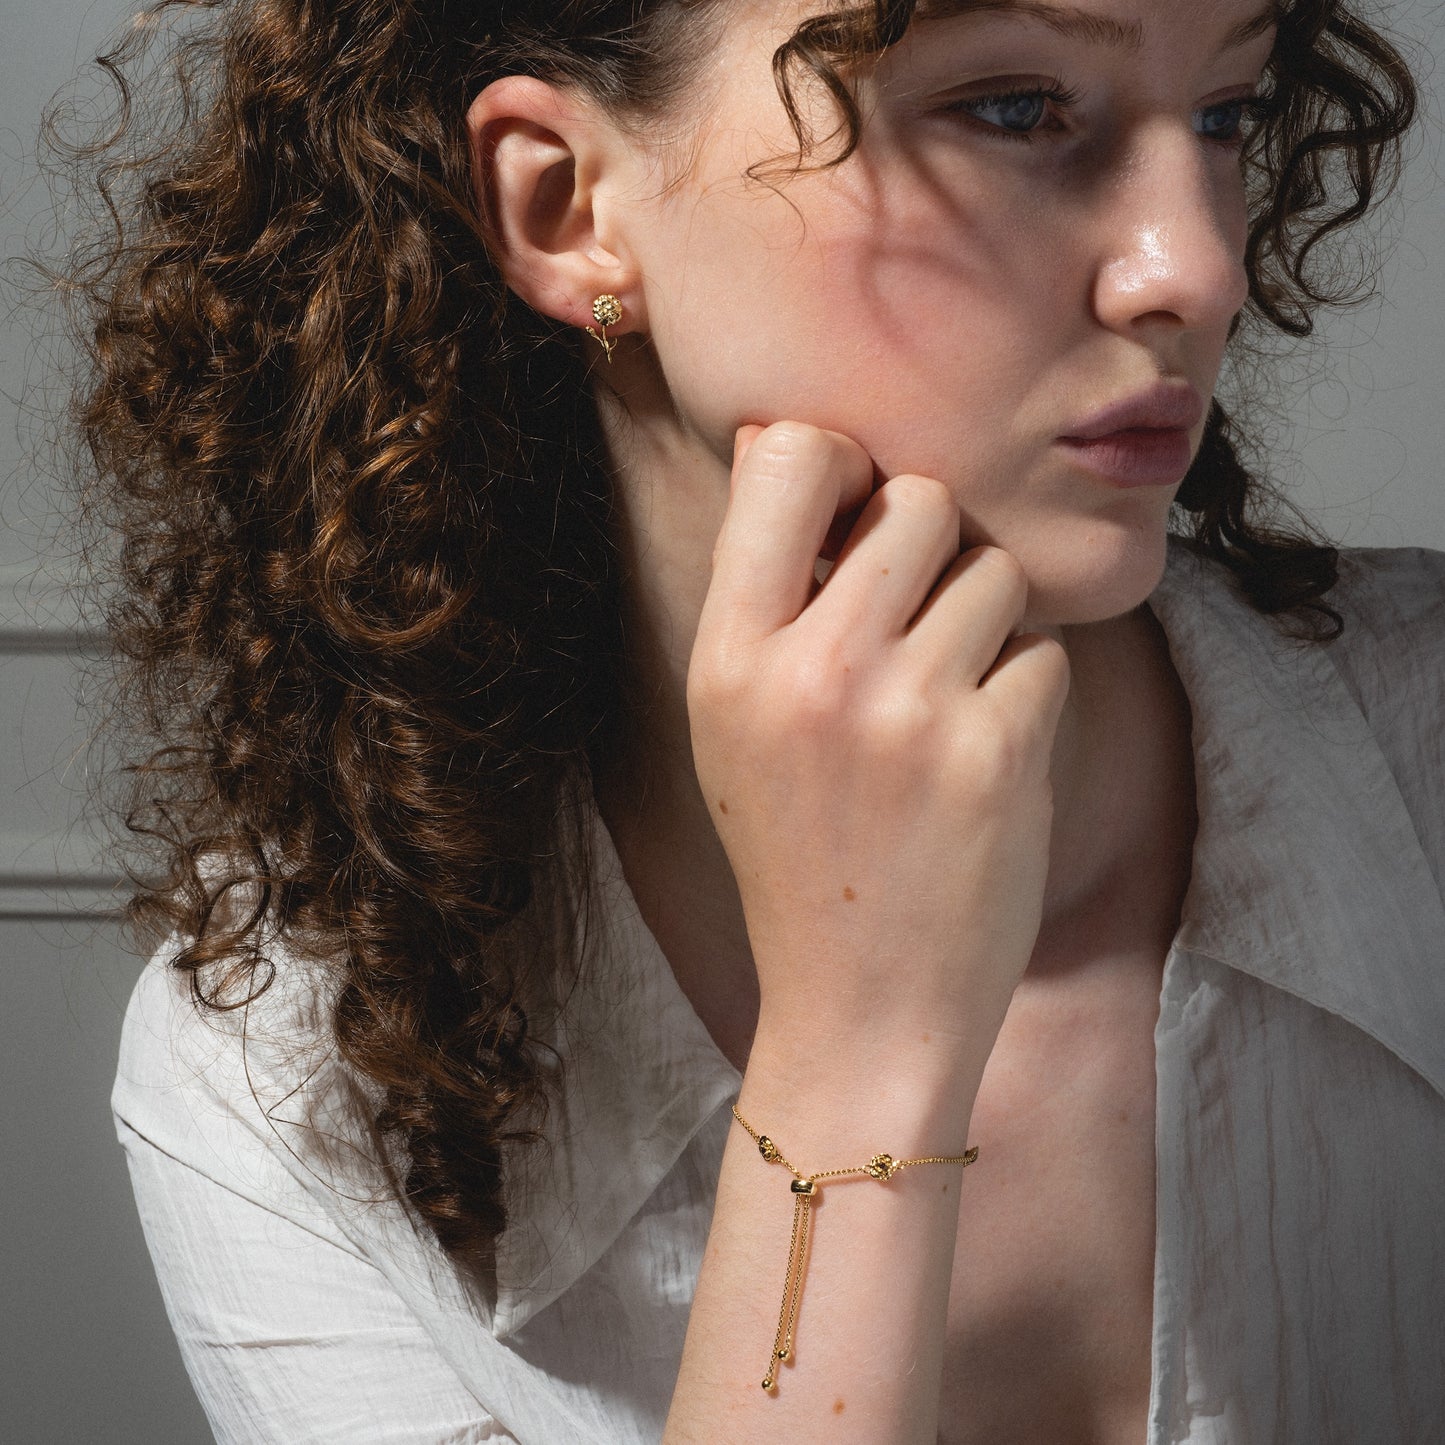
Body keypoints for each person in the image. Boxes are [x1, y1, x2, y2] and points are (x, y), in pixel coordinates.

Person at [72, 0, 1442, 1438]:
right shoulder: (284, 1072)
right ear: (563, 205)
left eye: (1224, 115)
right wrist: (854, 1054)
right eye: (1013, 108)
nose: (1196, 267)